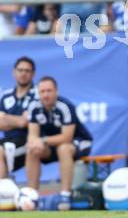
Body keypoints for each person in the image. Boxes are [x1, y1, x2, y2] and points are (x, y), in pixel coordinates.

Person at [26, 76, 93, 209]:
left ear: (56, 91)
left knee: (64, 148)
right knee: (33, 150)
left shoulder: (65, 106)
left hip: (80, 141)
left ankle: (65, 196)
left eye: (49, 91)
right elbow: (32, 136)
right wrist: (35, 142)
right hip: (53, 146)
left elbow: (67, 137)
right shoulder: (34, 106)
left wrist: (42, 140)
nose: (45, 95)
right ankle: (31, 196)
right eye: (42, 91)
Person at [0, 57, 38, 178]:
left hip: (28, 141)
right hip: (7, 140)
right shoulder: (6, 96)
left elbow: (25, 122)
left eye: (27, 71)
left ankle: (3, 191)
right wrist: (18, 120)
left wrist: (5, 116)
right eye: (20, 70)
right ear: (14, 72)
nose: (23, 74)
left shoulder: (37, 94)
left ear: (33, 74)